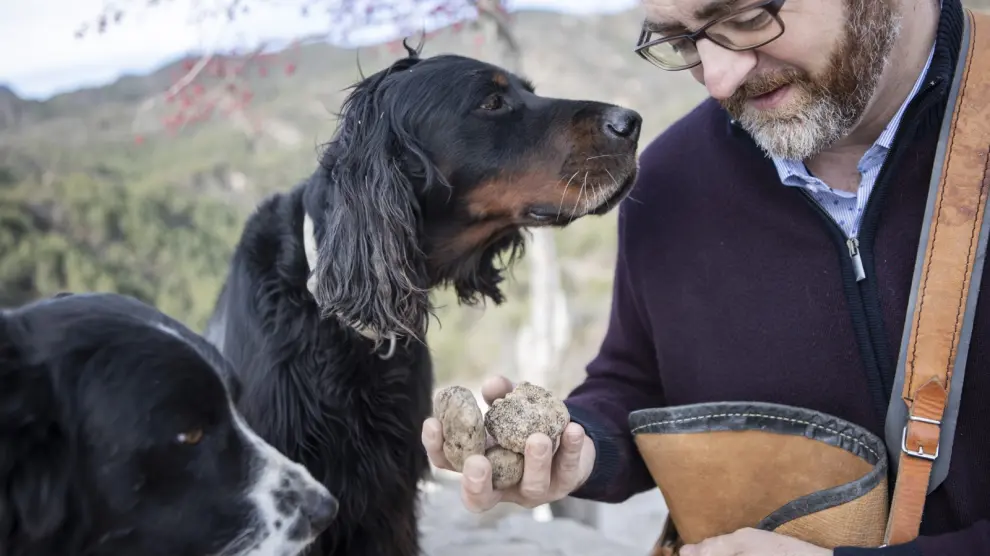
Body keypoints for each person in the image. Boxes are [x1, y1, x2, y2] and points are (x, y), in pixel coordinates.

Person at [421, 0, 990, 554]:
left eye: (747, 19)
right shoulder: (671, 178)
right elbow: (641, 386)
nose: (717, 80)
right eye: (681, 41)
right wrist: (577, 448)